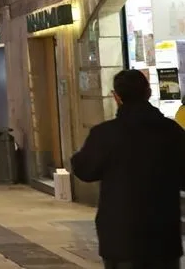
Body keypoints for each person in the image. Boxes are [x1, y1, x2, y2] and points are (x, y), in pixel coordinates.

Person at [71, 69, 185, 269]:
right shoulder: (172, 132)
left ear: (116, 97)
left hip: (120, 237)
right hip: (164, 235)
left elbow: (85, 170)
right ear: (148, 93)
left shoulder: (105, 134)